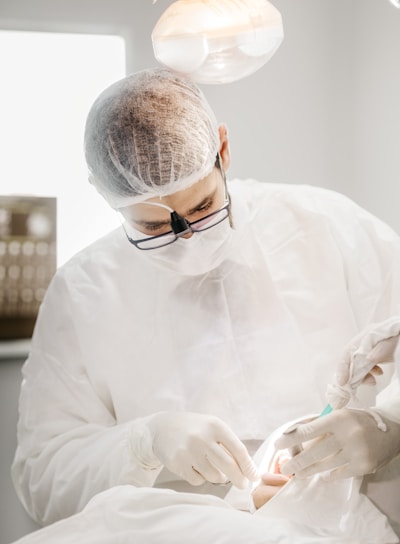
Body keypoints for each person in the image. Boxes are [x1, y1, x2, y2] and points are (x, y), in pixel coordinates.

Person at [11, 67, 400, 527]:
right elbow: (42, 474)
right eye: (154, 226)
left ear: (224, 150)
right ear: (103, 194)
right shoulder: (84, 291)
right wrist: (143, 442)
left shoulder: (330, 228)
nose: (188, 239)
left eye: (203, 208)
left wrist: (388, 427)